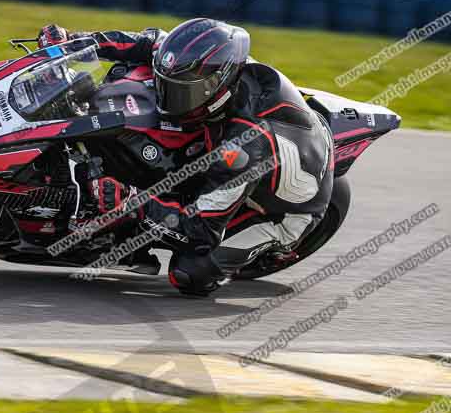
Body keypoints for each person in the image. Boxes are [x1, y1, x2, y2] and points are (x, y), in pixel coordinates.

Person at [37, 19, 335, 296]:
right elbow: (148, 42)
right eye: (165, 85)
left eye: (179, 93)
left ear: (216, 90)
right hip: (253, 139)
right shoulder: (215, 66)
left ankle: (271, 246)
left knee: (191, 274)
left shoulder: (242, 148)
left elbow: (199, 228)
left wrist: (132, 202)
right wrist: (70, 43)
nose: (166, 99)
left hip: (286, 210)